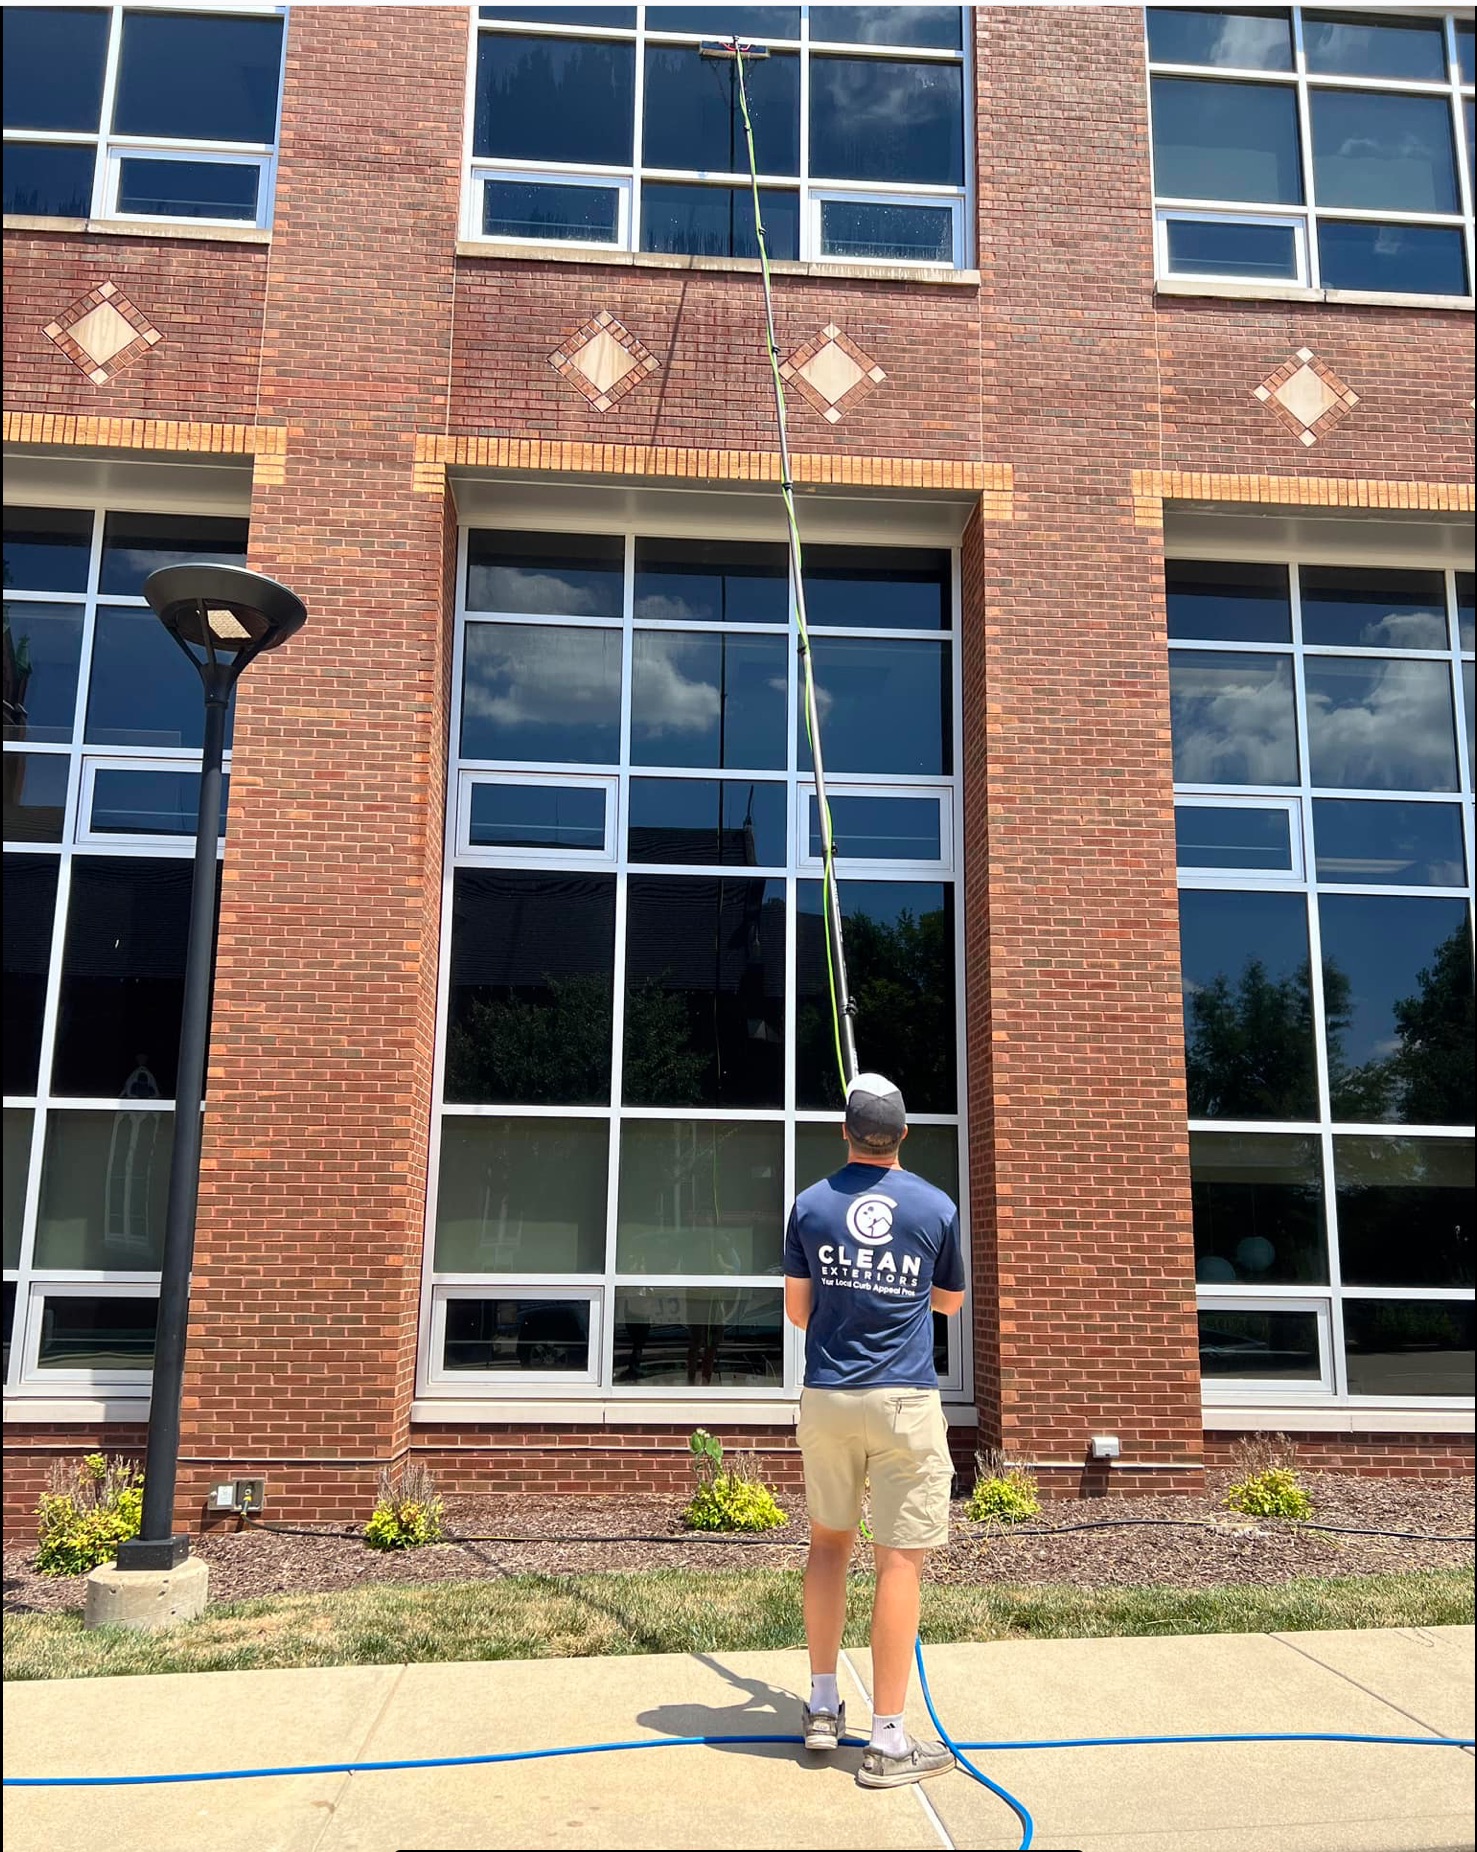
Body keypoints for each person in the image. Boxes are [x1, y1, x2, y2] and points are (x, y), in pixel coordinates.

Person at [783, 1071, 966, 1790]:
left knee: (828, 1544)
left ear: (844, 1133)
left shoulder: (809, 1205)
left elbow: (799, 1313)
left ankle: (823, 1704)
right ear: (903, 1136)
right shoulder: (935, 1206)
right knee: (899, 1561)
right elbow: (948, 1303)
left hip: (827, 1397)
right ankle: (887, 1740)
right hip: (903, 1402)